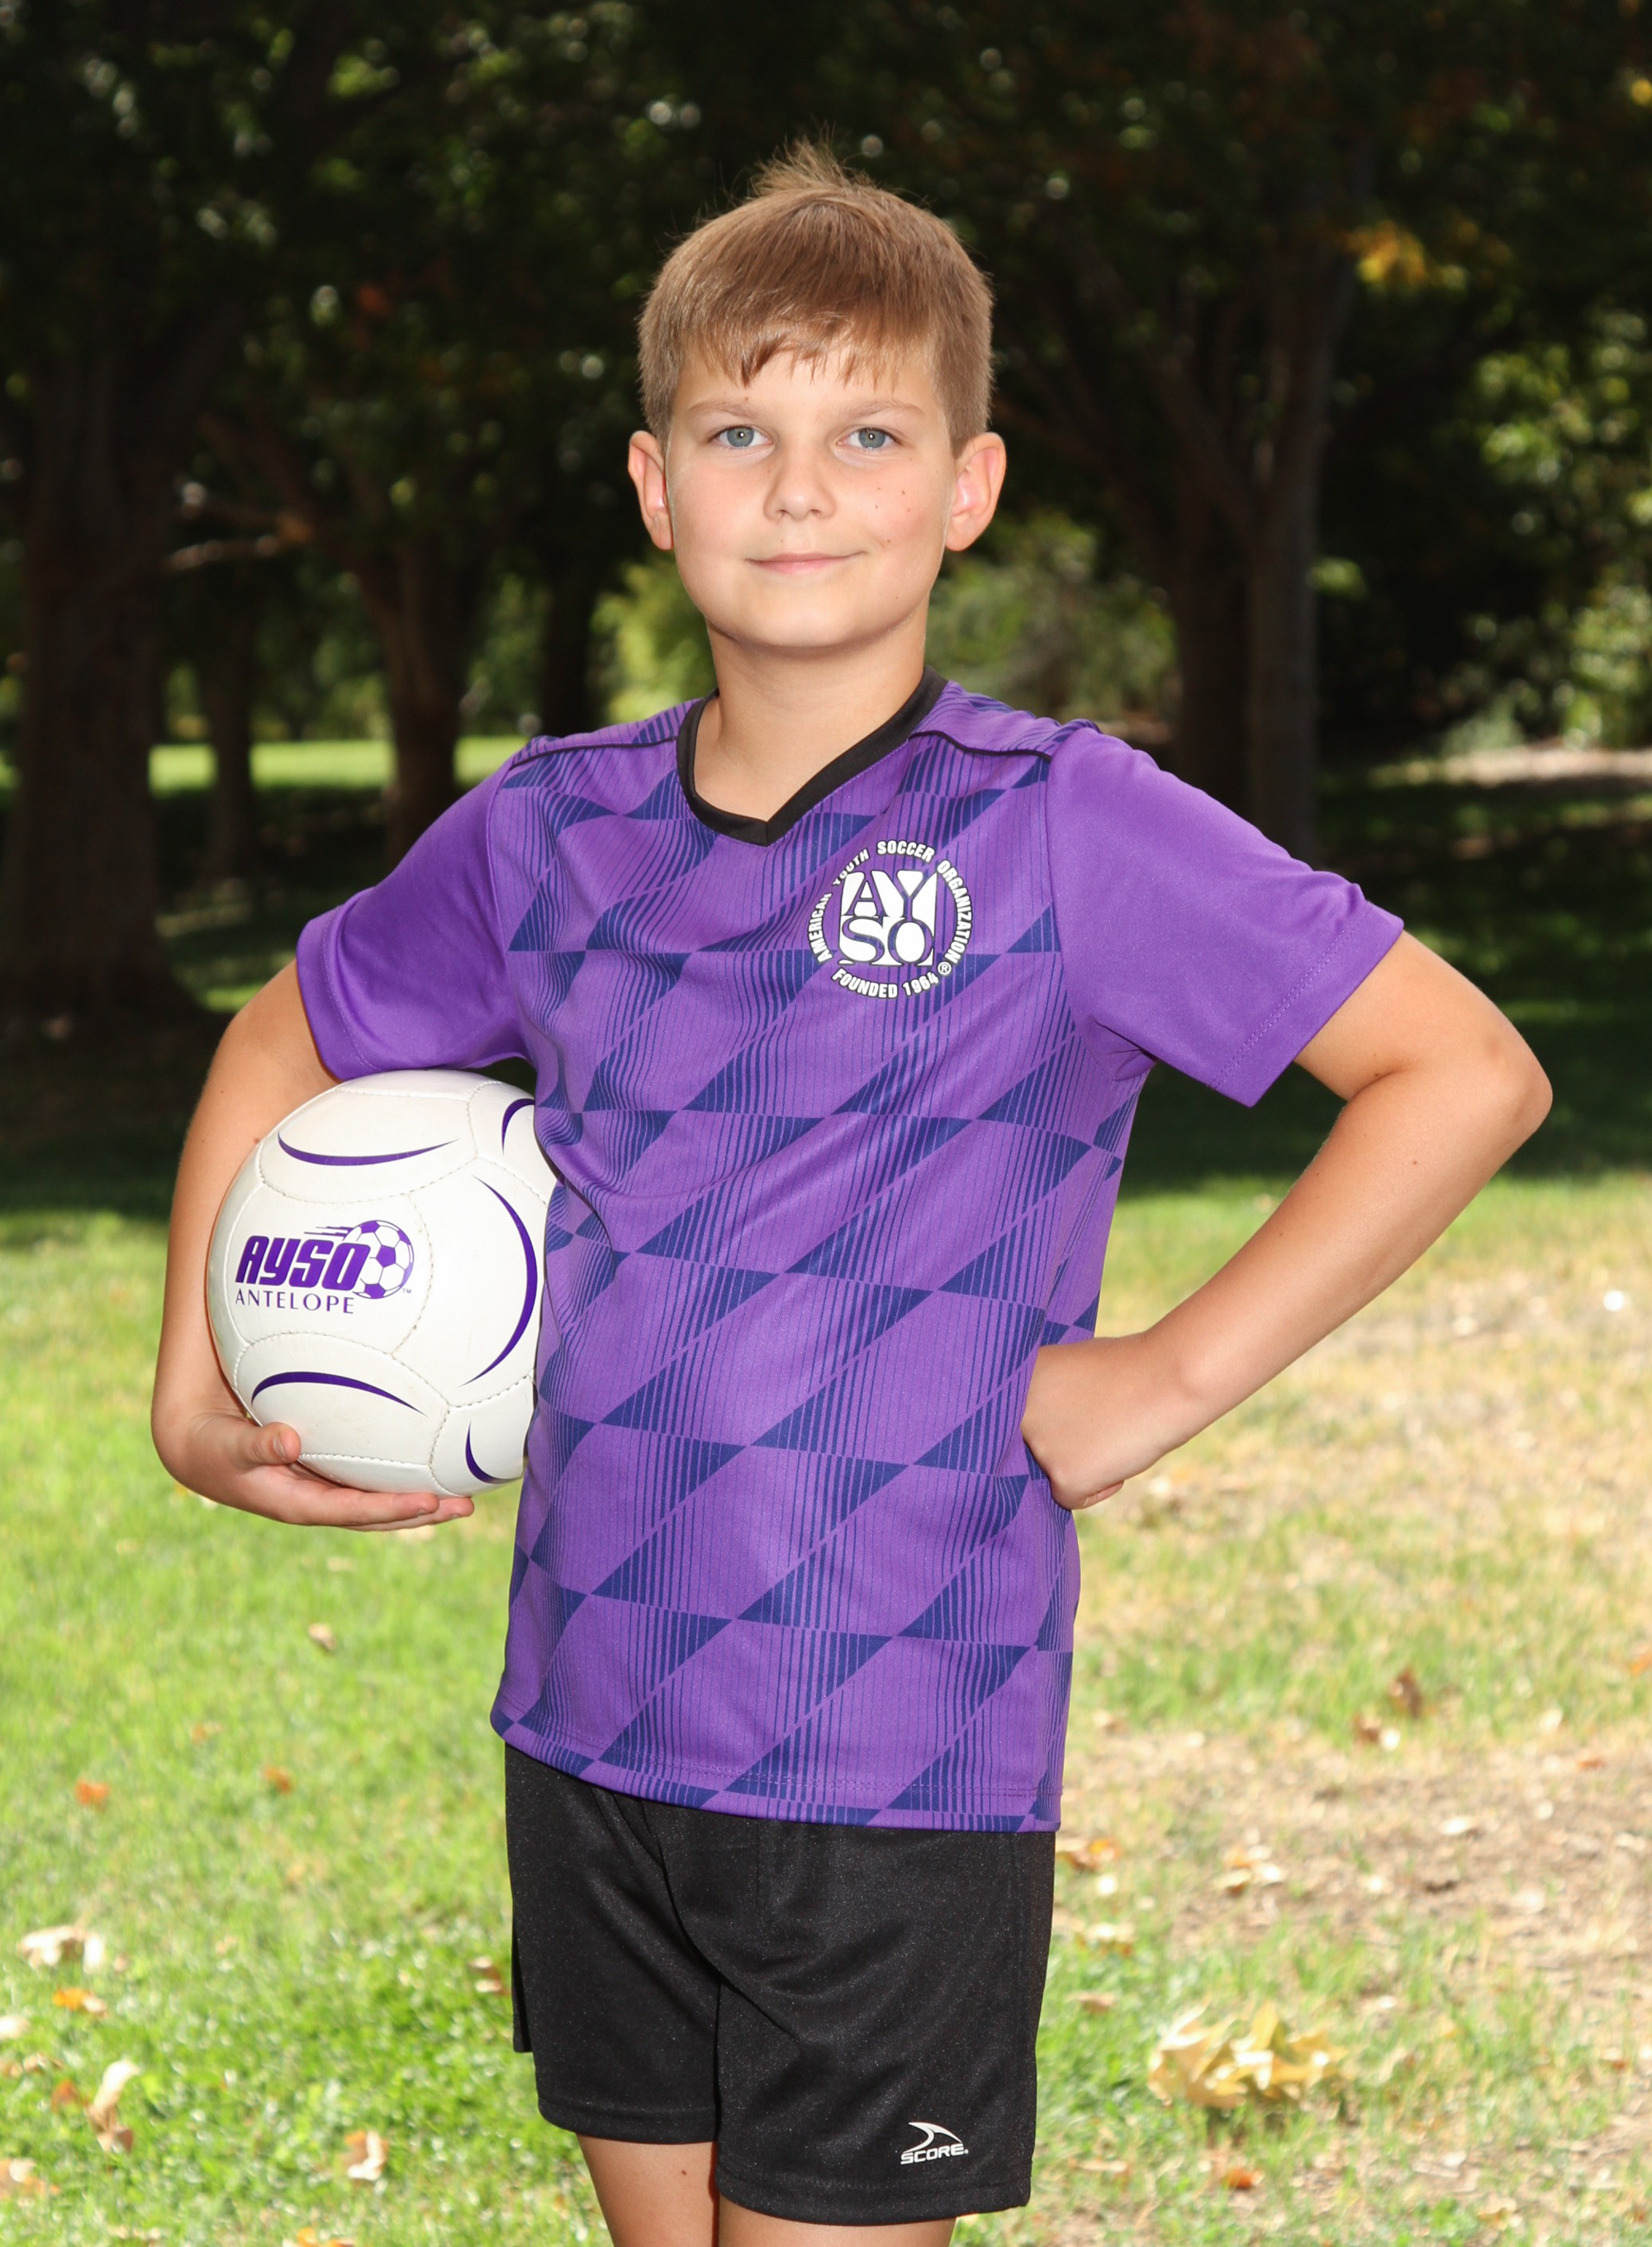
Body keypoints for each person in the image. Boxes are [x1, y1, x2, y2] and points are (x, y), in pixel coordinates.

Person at [151, 146, 1550, 2245]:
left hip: (893, 1743)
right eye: (740, 433)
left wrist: (1158, 1378)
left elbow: (1462, 1068)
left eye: (868, 435)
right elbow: (283, 1037)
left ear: (967, 487)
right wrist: (192, 1380)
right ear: (655, 484)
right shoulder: (550, 833)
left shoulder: (1063, 824)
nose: (799, 487)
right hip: (589, 1726)